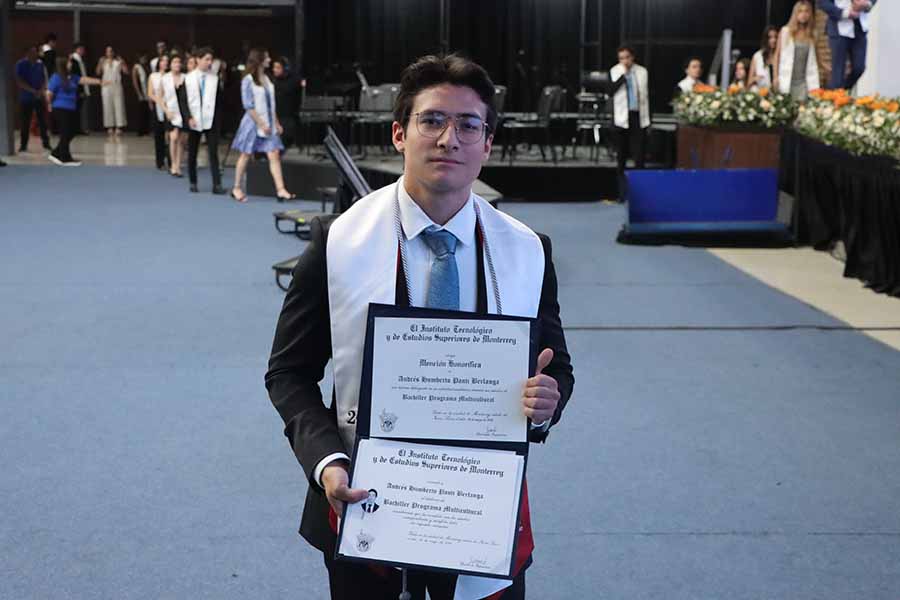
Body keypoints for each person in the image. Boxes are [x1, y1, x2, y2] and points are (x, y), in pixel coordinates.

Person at [266, 52, 574, 600]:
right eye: (431, 120)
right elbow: (288, 373)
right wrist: (326, 462)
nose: (449, 138)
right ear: (398, 135)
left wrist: (548, 402)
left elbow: (557, 367)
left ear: (488, 143)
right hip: (362, 495)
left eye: (468, 125)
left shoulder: (527, 251)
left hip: (482, 504)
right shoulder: (338, 241)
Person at [230, 48, 294, 203]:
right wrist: (260, 123)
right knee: (245, 155)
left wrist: (276, 122)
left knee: (274, 154)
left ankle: (281, 189)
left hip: (269, 123)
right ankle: (236, 187)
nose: (269, 60)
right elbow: (248, 105)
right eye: (266, 57)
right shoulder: (248, 80)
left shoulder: (267, 78)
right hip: (253, 124)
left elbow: (271, 104)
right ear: (259, 60)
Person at [46, 56, 105, 166]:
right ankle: (64, 157)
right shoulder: (56, 77)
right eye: (69, 62)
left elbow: (84, 80)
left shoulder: (72, 77)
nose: (71, 64)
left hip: (71, 108)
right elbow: (49, 92)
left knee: (72, 131)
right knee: (65, 132)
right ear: (63, 64)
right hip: (60, 108)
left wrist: (100, 81)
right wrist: (49, 104)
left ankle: (56, 152)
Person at [609, 45, 650, 198]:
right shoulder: (615, 71)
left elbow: (645, 96)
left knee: (639, 157)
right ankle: (622, 193)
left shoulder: (642, 71)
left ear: (632, 57)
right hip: (621, 118)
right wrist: (624, 76)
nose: (624, 61)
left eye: (627, 57)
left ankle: (641, 194)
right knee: (621, 157)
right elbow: (610, 90)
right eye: (621, 58)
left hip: (638, 117)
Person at [184, 47, 225, 195]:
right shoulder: (188, 78)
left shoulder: (214, 79)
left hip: (211, 119)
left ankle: (217, 184)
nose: (209, 62)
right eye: (206, 59)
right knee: (193, 152)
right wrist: (188, 117)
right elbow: (183, 101)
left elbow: (220, 102)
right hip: (194, 119)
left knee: (213, 152)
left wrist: (218, 121)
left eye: (211, 60)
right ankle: (193, 182)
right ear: (198, 60)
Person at [818, 0, 877, 90]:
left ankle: (840, 92)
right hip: (839, 29)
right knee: (838, 73)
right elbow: (823, 3)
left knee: (859, 68)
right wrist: (845, 13)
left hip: (860, 28)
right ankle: (836, 95)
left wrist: (867, 4)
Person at [774, 1, 820, 101]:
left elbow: (815, 58)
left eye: (806, 11)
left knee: (802, 110)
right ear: (795, 13)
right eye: (800, 11)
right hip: (787, 78)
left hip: (804, 81)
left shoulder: (812, 34)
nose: (803, 14)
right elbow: (777, 55)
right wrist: (775, 76)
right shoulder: (785, 31)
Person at [15, 45, 51, 153]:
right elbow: (19, 81)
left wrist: (41, 90)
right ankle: (23, 145)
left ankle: (46, 143)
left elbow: (45, 79)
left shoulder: (40, 64)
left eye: (36, 52)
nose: (35, 54)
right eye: (33, 52)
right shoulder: (20, 64)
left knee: (43, 121)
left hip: (39, 97)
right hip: (26, 97)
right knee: (25, 122)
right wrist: (32, 90)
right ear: (28, 53)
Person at [161, 53, 188, 177]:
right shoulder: (165, 78)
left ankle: (178, 165)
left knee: (182, 140)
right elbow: (161, 97)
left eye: (178, 62)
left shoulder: (186, 77)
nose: (177, 64)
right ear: (170, 65)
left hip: (184, 112)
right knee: (173, 137)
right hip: (171, 111)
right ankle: (173, 165)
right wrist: (166, 111)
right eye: (174, 62)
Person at [96, 46, 128, 137]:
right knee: (107, 106)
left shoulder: (117, 62)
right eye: (107, 51)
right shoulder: (103, 62)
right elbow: (98, 72)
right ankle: (109, 126)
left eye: (111, 51)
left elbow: (126, 72)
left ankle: (119, 126)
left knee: (118, 105)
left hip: (116, 85)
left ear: (113, 52)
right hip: (106, 86)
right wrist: (99, 63)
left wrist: (123, 63)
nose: (109, 53)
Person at [272, 57, 302, 152]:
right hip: (276, 116)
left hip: (288, 117)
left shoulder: (294, 81)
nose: (275, 70)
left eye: (278, 67)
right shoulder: (273, 82)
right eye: (274, 67)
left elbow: (297, 98)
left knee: (284, 143)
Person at [147, 54, 170, 171]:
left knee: (170, 135)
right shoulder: (153, 76)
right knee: (158, 135)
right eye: (163, 61)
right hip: (158, 107)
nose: (165, 63)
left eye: (167, 61)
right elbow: (150, 93)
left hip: (170, 107)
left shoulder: (170, 76)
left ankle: (171, 161)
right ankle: (159, 161)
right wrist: (159, 101)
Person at [69, 42, 91, 135]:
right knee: (76, 110)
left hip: (82, 87)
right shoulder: (73, 60)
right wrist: (80, 90)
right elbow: (75, 77)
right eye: (81, 49)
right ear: (77, 49)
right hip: (77, 89)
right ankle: (75, 128)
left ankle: (79, 128)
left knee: (80, 110)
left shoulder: (80, 60)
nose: (83, 51)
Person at [132, 54, 151, 136]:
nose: (144, 60)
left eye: (145, 58)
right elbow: (135, 81)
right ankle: (140, 131)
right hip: (141, 92)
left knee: (146, 112)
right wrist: (139, 93)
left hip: (147, 92)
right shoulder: (136, 67)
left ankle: (146, 130)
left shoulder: (146, 67)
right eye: (142, 58)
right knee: (141, 112)